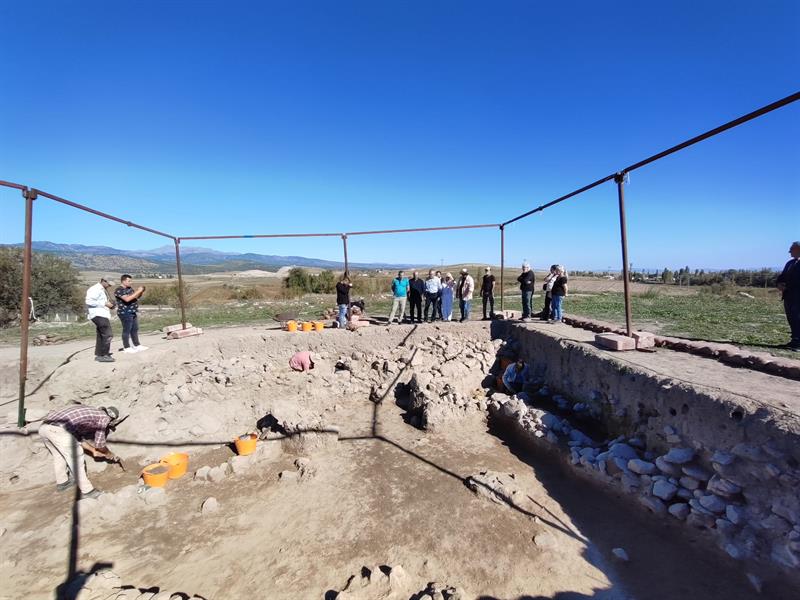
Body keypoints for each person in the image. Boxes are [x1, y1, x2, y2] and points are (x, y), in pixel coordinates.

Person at [39, 404, 122, 497]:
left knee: (59, 456)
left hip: (44, 428)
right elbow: (100, 444)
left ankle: (63, 483)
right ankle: (88, 491)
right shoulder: (104, 418)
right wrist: (109, 453)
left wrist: (93, 451)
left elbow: (78, 438)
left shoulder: (90, 411)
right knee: (76, 456)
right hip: (58, 430)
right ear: (111, 418)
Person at [114, 274, 148, 353]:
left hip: (132, 311)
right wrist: (138, 291)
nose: (131, 282)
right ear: (123, 281)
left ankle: (137, 345)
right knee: (127, 330)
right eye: (129, 281)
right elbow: (127, 299)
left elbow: (135, 297)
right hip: (125, 312)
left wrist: (141, 292)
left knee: (134, 329)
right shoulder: (119, 290)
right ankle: (126, 347)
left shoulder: (130, 289)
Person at [776, 241, 800, 351]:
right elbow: (782, 276)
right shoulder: (790, 263)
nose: (789, 252)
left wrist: (789, 286)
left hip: (798, 295)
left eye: (792, 249)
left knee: (798, 317)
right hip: (788, 295)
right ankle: (795, 340)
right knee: (792, 318)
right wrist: (779, 284)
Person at [85, 278, 116, 362]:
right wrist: (105, 303)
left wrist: (110, 305)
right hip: (98, 314)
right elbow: (89, 301)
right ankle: (104, 355)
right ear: (103, 281)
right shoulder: (95, 289)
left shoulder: (103, 289)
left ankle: (99, 354)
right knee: (108, 334)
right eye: (109, 284)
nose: (110, 285)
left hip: (102, 314)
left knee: (101, 335)